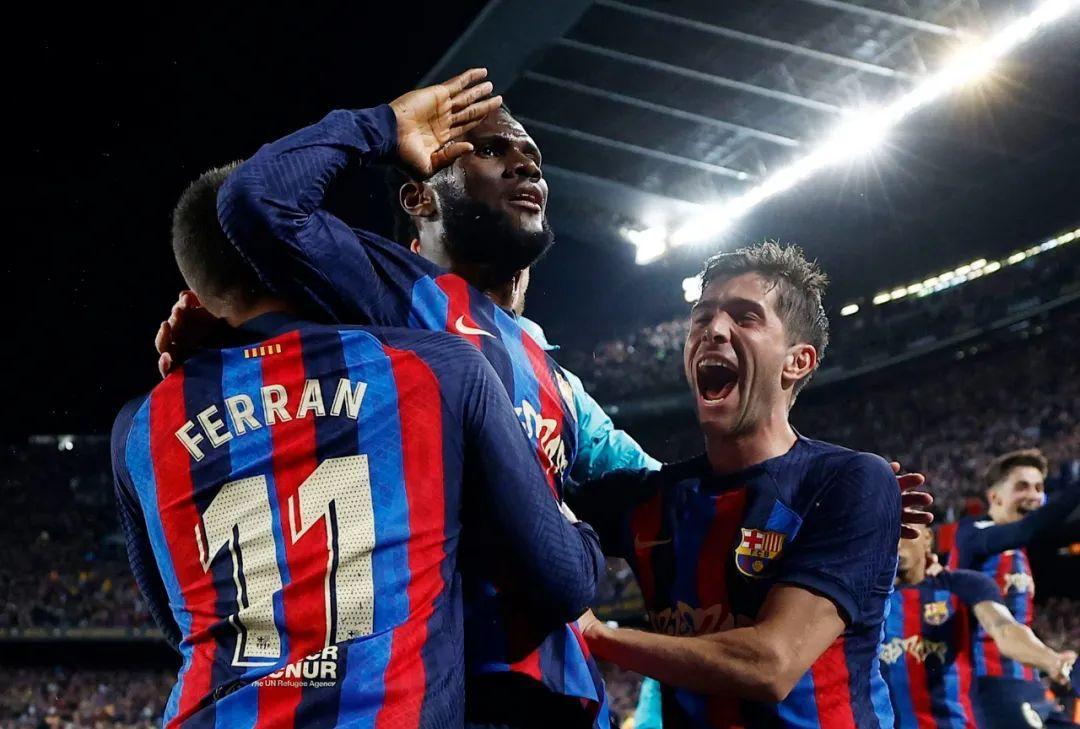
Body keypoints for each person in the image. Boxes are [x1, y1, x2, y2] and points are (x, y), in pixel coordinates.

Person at [157, 70, 931, 727]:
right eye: (492, 149)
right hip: (443, 692)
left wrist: (839, 504)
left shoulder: (556, 381)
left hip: (557, 698)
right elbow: (257, 206)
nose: (526, 163)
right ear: (420, 198)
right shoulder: (392, 299)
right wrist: (383, 127)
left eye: (531, 154)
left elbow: (676, 500)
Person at [111, 167, 604, 727]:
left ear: (197, 294)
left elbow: (179, 624)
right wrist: (581, 530)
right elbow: (565, 584)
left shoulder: (137, 426)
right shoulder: (435, 368)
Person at [567, 242, 925, 728]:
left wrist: (595, 633)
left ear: (798, 361)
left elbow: (770, 664)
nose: (712, 330)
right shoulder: (650, 499)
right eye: (702, 317)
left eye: (745, 317)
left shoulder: (846, 481)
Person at [881, 524, 1075, 727]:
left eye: (904, 531)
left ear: (928, 537)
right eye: (884, 533)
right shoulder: (865, 602)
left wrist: (1053, 661)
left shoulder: (962, 585)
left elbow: (1003, 628)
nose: (894, 542)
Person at [947, 449, 1080, 727]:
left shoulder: (1020, 550)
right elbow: (1029, 529)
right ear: (995, 497)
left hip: (1029, 683)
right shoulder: (973, 534)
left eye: (1039, 488)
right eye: (1022, 486)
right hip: (983, 685)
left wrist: (1049, 656)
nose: (1034, 495)